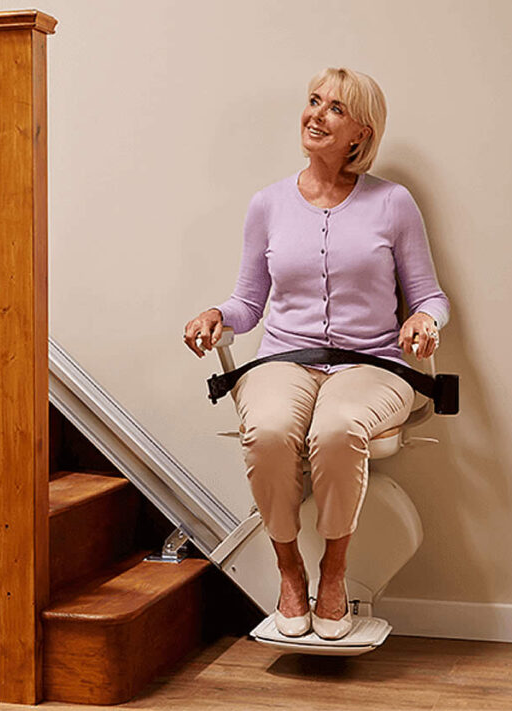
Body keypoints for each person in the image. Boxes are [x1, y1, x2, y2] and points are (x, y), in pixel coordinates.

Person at [182, 67, 450, 640]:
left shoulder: (393, 203)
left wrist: (425, 319)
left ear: (360, 133)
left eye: (335, 108)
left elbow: (429, 295)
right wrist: (216, 316)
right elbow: (247, 304)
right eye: (313, 101)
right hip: (283, 358)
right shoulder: (268, 204)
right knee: (271, 429)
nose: (316, 114)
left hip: (372, 363)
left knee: (337, 429)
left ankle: (333, 570)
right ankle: (288, 570)